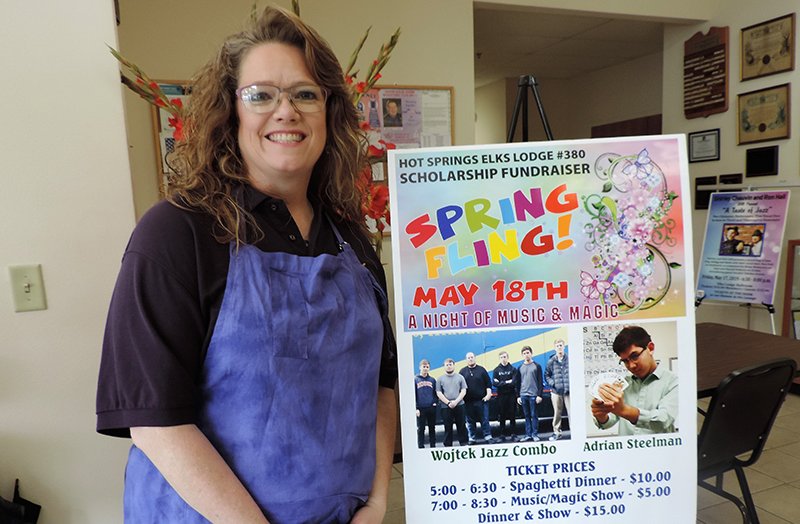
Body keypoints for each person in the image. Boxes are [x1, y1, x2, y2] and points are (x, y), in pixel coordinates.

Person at [95, 7, 398, 523]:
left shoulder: (353, 240)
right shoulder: (177, 233)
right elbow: (155, 421)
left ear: (330, 111)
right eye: (261, 95)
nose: (286, 111)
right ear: (229, 114)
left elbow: (382, 382)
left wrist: (375, 502)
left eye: (305, 94)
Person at [591, 326, 678, 436]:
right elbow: (610, 420)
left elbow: (663, 421)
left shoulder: (673, 381)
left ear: (650, 348)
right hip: (626, 451)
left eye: (635, 356)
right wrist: (601, 415)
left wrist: (624, 410)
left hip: (659, 451)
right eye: (625, 361)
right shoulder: (623, 384)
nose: (631, 365)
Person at [460, 352, 494, 444]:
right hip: (468, 402)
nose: (470, 359)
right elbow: (460, 387)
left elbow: (488, 384)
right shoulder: (462, 372)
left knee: (485, 420)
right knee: (470, 422)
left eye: (472, 357)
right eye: (468, 358)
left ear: (475, 358)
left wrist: (488, 395)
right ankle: (472, 438)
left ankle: (488, 436)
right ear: (466, 360)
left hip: (482, 400)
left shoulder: (481, 370)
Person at [436, 358, 469, 447]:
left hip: (459, 405)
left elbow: (463, 390)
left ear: (454, 365)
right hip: (446, 407)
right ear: (444, 366)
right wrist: (448, 403)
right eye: (447, 365)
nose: (449, 366)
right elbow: (438, 392)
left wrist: (456, 401)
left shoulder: (460, 377)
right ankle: (448, 445)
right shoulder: (440, 379)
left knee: (461, 425)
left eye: (450, 364)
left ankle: (464, 442)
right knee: (447, 426)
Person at [544, 339, 570, 441]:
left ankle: (575, 432)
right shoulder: (551, 361)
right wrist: (553, 384)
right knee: (557, 413)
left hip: (568, 391)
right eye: (557, 346)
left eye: (561, 345)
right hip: (556, 391)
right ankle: (557, 432)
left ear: (564, 346)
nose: (559, 347)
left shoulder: (569, 359)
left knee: (571, 413)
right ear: (554, 348)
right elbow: (547, 375)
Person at [516, 346, 543, 442]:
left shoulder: (537, 366)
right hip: (523, 395)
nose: (526, 355)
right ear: (522, 355)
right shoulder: (520, 367)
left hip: (533, 395)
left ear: (531, 353)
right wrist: (518, 396)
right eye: (524, 353)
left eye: (528, 352)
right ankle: (528, 435)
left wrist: (539, 395)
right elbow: (518, 383)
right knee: (526, 416)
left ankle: (535, 434)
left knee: (534, 415)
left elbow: (540, 381)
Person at [492, 351, 519, 442]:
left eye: (505, 357)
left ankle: (513, 434)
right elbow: (494, 383)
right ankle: (502, 435)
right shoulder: (496, 370)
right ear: (499, 359)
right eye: (501, 357)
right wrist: (507, 382)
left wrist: (501, 383)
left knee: (512, 415)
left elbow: (514, 383)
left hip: (511, 395)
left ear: (508, 357)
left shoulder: (513, 369)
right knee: (502, 415)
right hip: (501, 396)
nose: (503, 358)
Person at [415, 359, 437, 448]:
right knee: (421, 429)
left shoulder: (432, 380)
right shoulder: (415, 379)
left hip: (431, 408)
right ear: (420, 367)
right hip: (420, 409)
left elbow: (435, 392)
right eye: (424, 367)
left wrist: (435, 402)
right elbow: (414, 394)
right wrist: (416, 408)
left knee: (432, 428)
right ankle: (421, 445)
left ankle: (433, 445)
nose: (425, 368)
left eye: (427, 367)